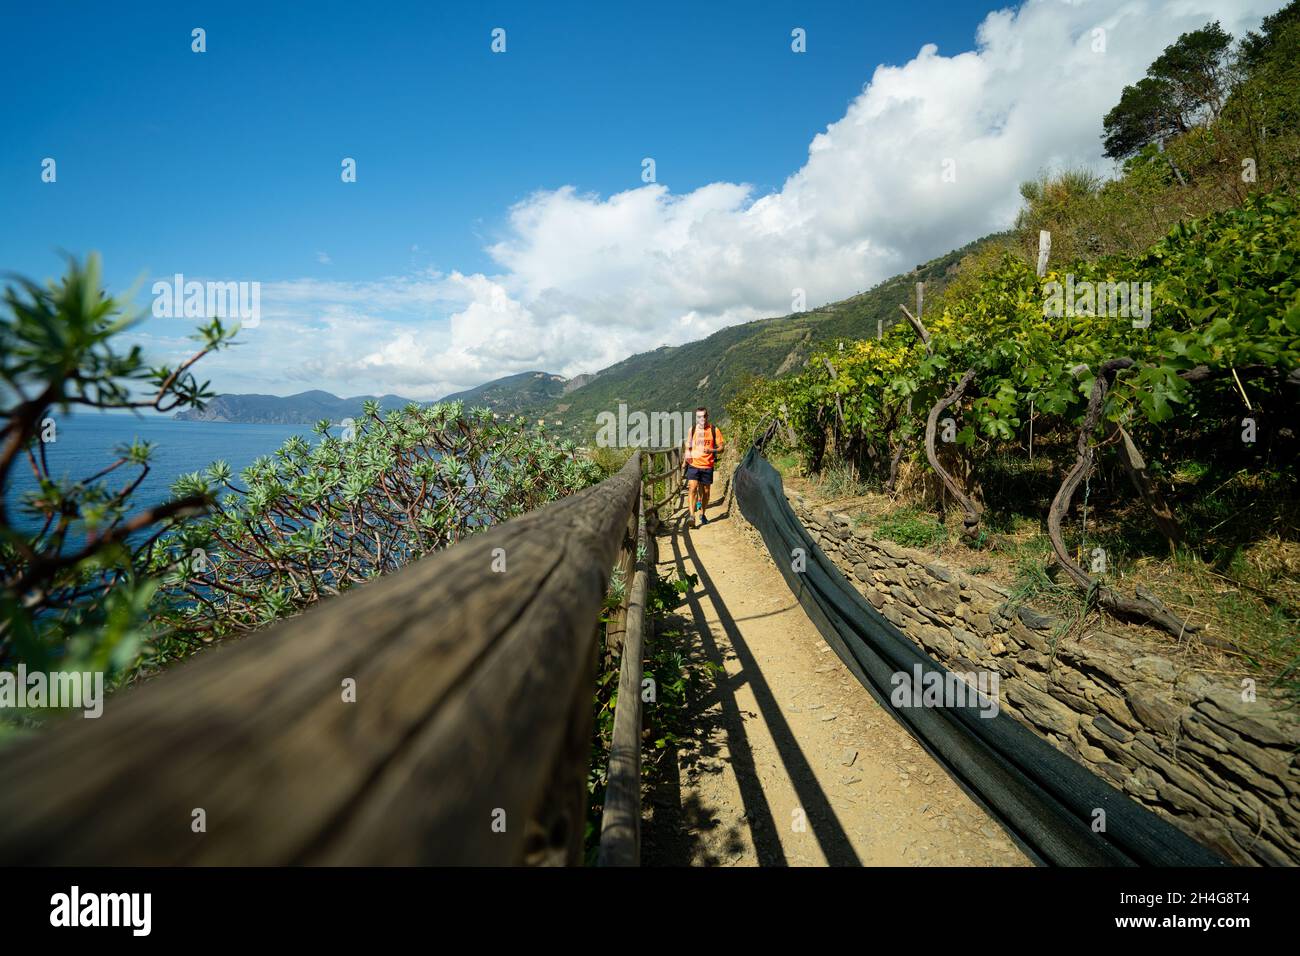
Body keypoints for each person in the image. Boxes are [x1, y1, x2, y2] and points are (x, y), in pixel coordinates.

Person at [682, 407, 724, 528]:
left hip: (707, 465)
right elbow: (688, 446)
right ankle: (691, 516)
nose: (702, 419)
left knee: (706, 492)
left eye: (704, 416)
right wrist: (685, 460)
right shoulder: (693, 429)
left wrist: (712, 450)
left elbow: (722, 448)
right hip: (694, 464)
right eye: (699, 417)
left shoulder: (714, 430)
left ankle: (702, 513)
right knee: (692, 488)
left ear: (707, 416)